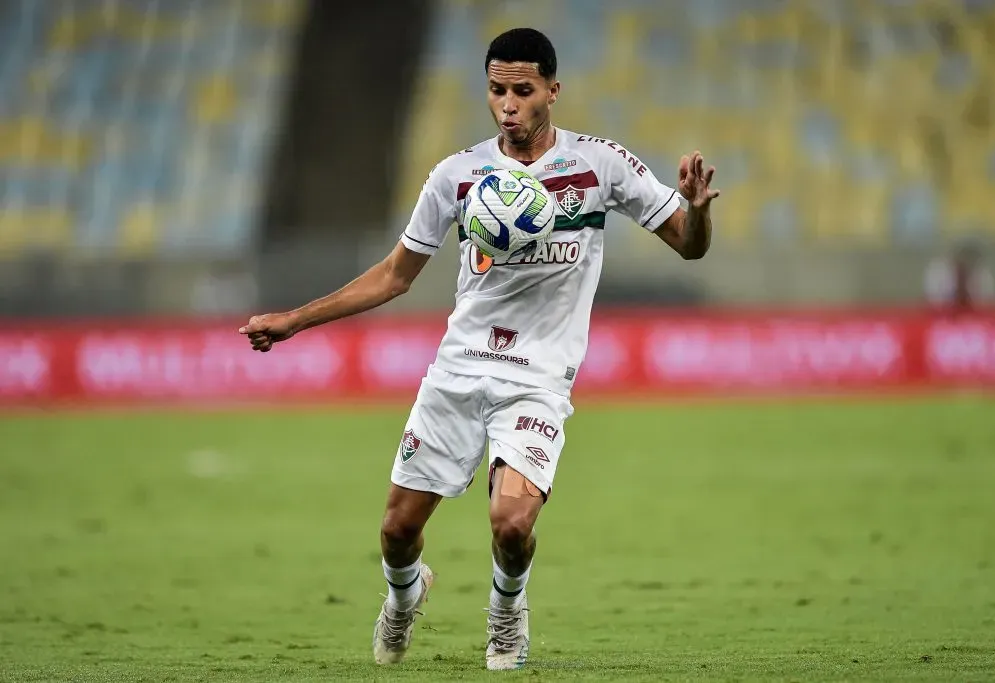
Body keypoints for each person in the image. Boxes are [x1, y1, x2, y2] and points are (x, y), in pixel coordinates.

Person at [239, 27, 719, 671]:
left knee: (511, 524)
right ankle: (405, 596)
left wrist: (697, 210)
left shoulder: (599, 165)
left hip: (537, 379)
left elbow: (689, 244)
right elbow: (395, 275)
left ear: (553, 90)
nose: (508, 105)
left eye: (523, 91)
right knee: (397, 531)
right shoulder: (458, 175)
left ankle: (506, 612)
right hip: (459, 370)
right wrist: (295, 320)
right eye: (497, 91)